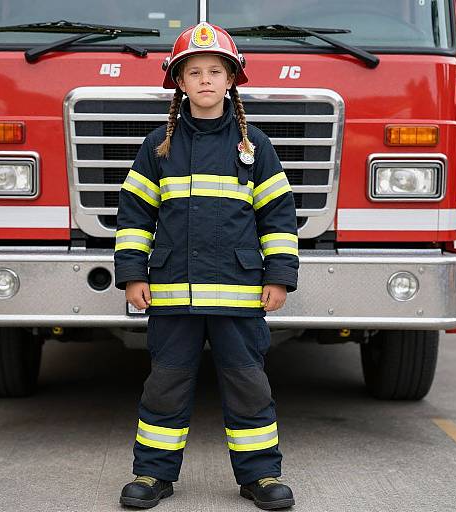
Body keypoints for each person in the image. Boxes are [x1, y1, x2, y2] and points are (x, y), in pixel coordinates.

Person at [114, 21, 299, 510]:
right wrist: (133, 275)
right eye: (193, 72)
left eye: (215, 71)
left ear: (232, 79)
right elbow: (135, 216)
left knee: (247, 384)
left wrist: (279, 277)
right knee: (166, 384)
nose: (205, 81)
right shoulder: (159, 148)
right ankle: (152, 476)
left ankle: (260, 477)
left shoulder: (255, 147)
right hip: (173, 294)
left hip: (240, 295)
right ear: (179, 82)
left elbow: (277, 217)